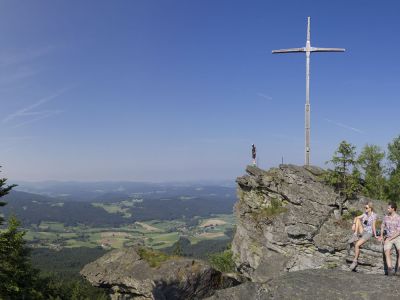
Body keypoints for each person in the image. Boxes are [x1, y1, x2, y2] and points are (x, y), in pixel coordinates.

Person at [348, 202, 377, 271]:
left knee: (357, 245)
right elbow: (356, 217)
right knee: (358, 219)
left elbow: (373, 226)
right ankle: (355, 235)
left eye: (366, 208)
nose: (365, 209)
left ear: (370, 208)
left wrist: (375, 235)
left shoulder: (374, 215)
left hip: (368, 233)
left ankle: (355, 261)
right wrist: (354, 224)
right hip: (363, 231)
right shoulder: (365, 214)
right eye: (365, 207)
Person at [378, 202, 400, 276]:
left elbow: (398, 231)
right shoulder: (386, 217)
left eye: (388, 208)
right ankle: (390, 269)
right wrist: (381, 235)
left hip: (397, 237)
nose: (387, 209)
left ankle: (399, 269)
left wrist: (390, 238)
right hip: (388, 237)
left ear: (393, 209)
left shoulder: (398, 218)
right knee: (387, 251)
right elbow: (382, 226)